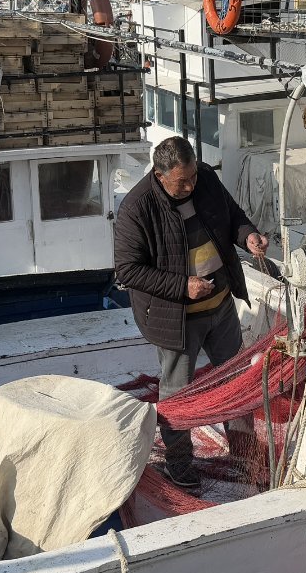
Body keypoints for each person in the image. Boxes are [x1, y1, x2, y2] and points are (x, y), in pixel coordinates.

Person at [114, 136, 269, 488]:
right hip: (176, 319)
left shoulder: (205, 180)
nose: (190, 185)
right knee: (178, 393)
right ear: (159, 174)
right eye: (182, 181)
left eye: (193, 177)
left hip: (221, 307)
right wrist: (183, 286)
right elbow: (127, 271)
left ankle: (244, 454)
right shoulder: (136, 208)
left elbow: (233, 217)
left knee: (236, 379)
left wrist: (248, 236)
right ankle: (181, 465)